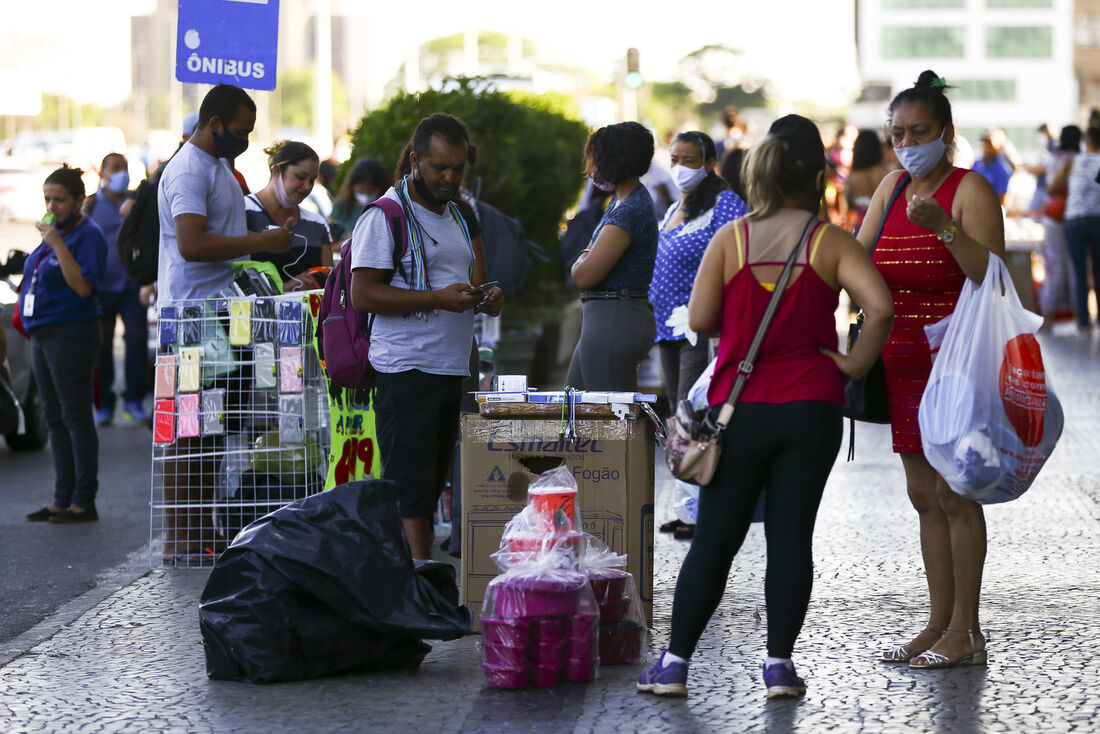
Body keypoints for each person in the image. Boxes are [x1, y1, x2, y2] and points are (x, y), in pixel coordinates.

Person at [637, 115, 893, 699]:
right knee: (791, 536)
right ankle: (779, 667)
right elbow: (878, 307)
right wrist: (851, 365)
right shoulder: (830, 241)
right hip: (813, 409)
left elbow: (700, 320)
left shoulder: (734, 239)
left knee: (715, 539)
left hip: (740, 409)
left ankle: (674, 666)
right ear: (818, 176)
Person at [860, 71, 1005, 668]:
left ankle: (967, 632)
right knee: (923, 495)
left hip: (957, 362)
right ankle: (938, 621)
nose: (907, 142)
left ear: (945, 133)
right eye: (898, 132)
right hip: (902, 360)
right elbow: (857, 255)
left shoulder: (970, 189)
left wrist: (942, 228)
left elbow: (992, 276)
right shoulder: (891, 186)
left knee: (955, 494)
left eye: (919, 131)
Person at [349, 113, 502, 560]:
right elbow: (363, 293)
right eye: (439, 167)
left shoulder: (455, 213)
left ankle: (420, 580)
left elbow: (466, 279)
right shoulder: (385, 216)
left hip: (448, 366)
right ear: (415, 160)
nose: (449, 177)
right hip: (406, 367)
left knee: (431, 482)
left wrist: (485, 296)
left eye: (458, 168)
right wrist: (437, 298)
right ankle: (417, 582)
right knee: (410, 488)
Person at [157, 84, 292, 563]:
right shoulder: (190, 171)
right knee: (188, 431)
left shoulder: (217, 168)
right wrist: (262, 242)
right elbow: (191, 244)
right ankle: (181, 537)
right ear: (213, 123)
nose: (245, 139)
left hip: (219, 315)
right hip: (192, 320)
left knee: (210, 428)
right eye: (239, 131)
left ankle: (201, 529)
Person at [648, 131, 747, 540]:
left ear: (709, 163)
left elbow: (739, 257)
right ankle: (685, 504)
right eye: (675, 159)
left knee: (695, 412)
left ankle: (701, 507)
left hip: (700, 326)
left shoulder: (726, 204)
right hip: (667, 327)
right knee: (678, 414)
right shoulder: (676, 206)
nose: (680, 168)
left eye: (689, 160)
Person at [21, 165, 108, 523]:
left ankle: (83, 500)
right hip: (43, 331)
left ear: (79, 201)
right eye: (47, 199)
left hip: (72, 331)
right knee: (53, 417)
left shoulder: (87, 235)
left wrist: (56, 243)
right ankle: (62, 496)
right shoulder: (55, 233)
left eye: (59, 199)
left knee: (75, 416)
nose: (52, 206)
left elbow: (83, 287)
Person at [567, 121, 658, 391]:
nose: (591, 167)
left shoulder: (630, 208)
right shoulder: (621, 202)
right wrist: (588, 253)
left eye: (595, 158)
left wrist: (584, 256)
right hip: (605, 316)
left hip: (615, 316)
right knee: (577, 410)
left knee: (608, 422)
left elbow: (584, 274)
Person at [86, 153, 149, 426]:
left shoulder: (136, 201)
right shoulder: (89, 205)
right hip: (100, 287)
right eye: (115, 169)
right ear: (103, 173)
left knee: (135, 342)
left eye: (125, 168)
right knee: (100, 347)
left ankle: (133, 401)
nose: (121, 173)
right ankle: (104, 406)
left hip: (131, 286)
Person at [244, 140, 333, 289]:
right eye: (300, 177)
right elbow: (233, 279)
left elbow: (330, 287)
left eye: (312, 180)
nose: (307, 186)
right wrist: (286, 287)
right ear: (277, 171)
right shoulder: (242, 211)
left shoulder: (317, 223)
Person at [1050, 126, 1100, 334]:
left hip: (1074, 221)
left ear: (1086, 141)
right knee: (1098, 272)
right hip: (1097, 219)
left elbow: (1052, 188)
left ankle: (1084, 324)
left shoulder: (1072, 161)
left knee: (1080, 273)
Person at [1036, 125, 1081, 327]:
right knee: (1075, 271)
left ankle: (1048, 317)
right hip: (1073, 218)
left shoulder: (1058, 159)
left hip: (1056, 217)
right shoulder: (1081, 159)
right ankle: (1080, 319)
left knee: (1056, 269)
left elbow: (1051, 188)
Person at [844, 130, 894, 231]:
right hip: (887, 227)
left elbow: (849, 206)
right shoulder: (889, 171)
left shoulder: (851, 177)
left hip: (862, 229)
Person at [330, 158, 389, 241]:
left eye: (370, 193)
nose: (366, 197)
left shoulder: (384, 211)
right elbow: (328, 246)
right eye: (361, 192)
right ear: (352, 187)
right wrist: (348, 241)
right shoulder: (340, 207)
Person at [972, 129, 1014, 206]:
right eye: (985, 143)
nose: (986, 147)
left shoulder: (1003, 169)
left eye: (990, 144)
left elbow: (1003, 201)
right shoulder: (976, 163)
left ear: (1000, 147)